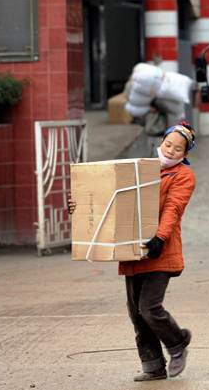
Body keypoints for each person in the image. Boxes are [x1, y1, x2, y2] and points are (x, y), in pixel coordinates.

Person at [69, 122, 197, 381]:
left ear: (184, 154)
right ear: (160, 143)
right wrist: (80, 205)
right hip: (133, 251)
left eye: (178, 149)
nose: (171, 151)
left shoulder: (183, 175)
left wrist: (159, 238)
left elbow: (174, 207)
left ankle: (177, 343)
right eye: (168, 144)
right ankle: (152, 365)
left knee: (149, 308)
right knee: (136, 313)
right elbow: (108, 199)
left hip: (160, 252)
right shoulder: (142, 171)